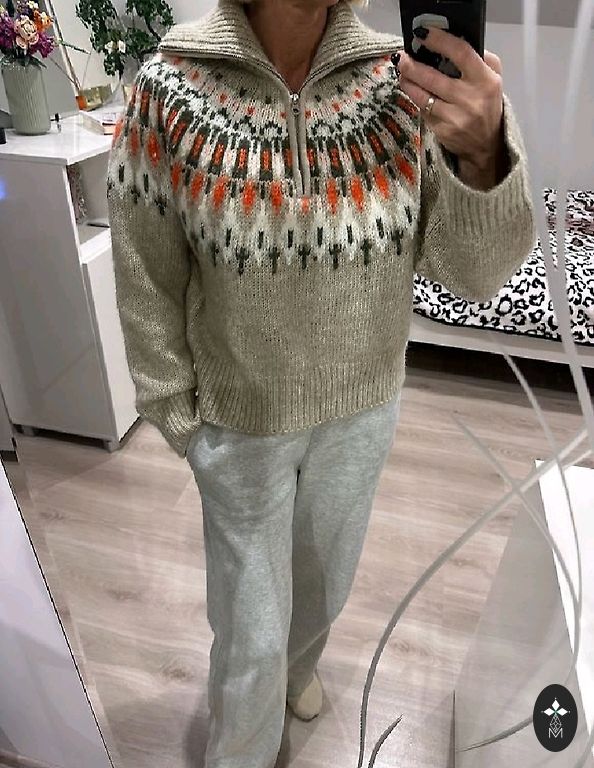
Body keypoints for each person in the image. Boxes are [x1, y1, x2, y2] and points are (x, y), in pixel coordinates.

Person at [106, 0, 537, 764]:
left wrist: (484, 157)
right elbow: (146, 266)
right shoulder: (170, 87)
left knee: (324, 587)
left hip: (362, 412)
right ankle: (242, 746)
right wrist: (174, 410)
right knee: (250, 632)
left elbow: (474, 275)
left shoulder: (402, 84)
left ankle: (298, 671)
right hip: (240, 421)